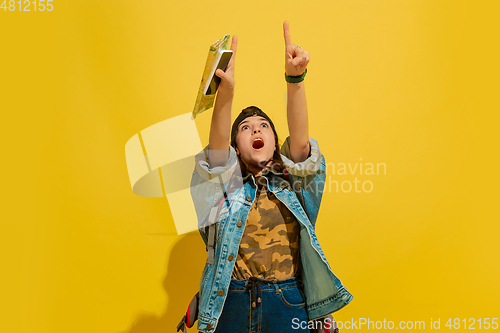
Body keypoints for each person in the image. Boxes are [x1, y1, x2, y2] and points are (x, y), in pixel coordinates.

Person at [190, 21, 353, 333]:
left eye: (264, 125)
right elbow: (215, 157)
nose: (256, 129)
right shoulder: (223, 188)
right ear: (235, 147)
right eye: (246, 127)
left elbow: (302, 143)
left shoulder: (295, 184)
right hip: (229, 303)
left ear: (276, 143)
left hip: (288, 302)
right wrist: (227, 93)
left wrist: (296, 79)